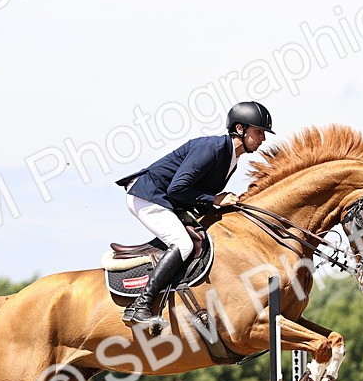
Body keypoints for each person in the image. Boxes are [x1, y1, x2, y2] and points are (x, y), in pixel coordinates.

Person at [115, 101, 274, 329]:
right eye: (259, 132)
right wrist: (215, 200)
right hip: (148, 196)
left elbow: (194, 193)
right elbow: (177, 188)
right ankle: (140, 306)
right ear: (240, 129)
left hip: (167, 199)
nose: (263, 139)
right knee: (183, 244)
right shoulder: (212, 148)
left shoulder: (231, 159)